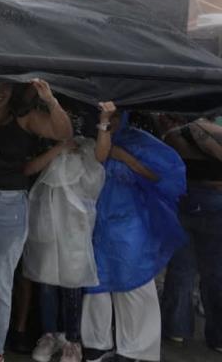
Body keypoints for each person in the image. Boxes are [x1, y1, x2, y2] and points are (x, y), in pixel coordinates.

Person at [0, 79, 73, 362]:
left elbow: (63, 132)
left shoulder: (24, 118)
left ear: (13, 91)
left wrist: (50, 100)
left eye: (5, 87)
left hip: (7, 204)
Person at [81, 109, 187, 362]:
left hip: (131, 225)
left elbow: (168, 176)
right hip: (97, 223)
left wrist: (127, 159)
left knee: (134, 282)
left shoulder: (140, 141)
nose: (112, 120)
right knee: (96, 283)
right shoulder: (90, 140)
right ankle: (96, 343)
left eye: (117, 114)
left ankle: (137, 349)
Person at [22, 102, 114, 362]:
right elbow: (28, 169)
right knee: (47, 279)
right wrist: (60, 148)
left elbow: (101, 155)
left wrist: (104, 120)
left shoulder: (87, 140)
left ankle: (72, 340)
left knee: (73, 279)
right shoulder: (45, 138)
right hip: (46, 218)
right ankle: (50, 334)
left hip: (76, 221)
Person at [159, 115, 222, 353]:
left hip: (185, 199)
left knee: (182, 269)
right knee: (215, 271)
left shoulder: (178, 134)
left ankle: (176, 329)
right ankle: (218, 335)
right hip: (215, 201)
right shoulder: (207, 130)